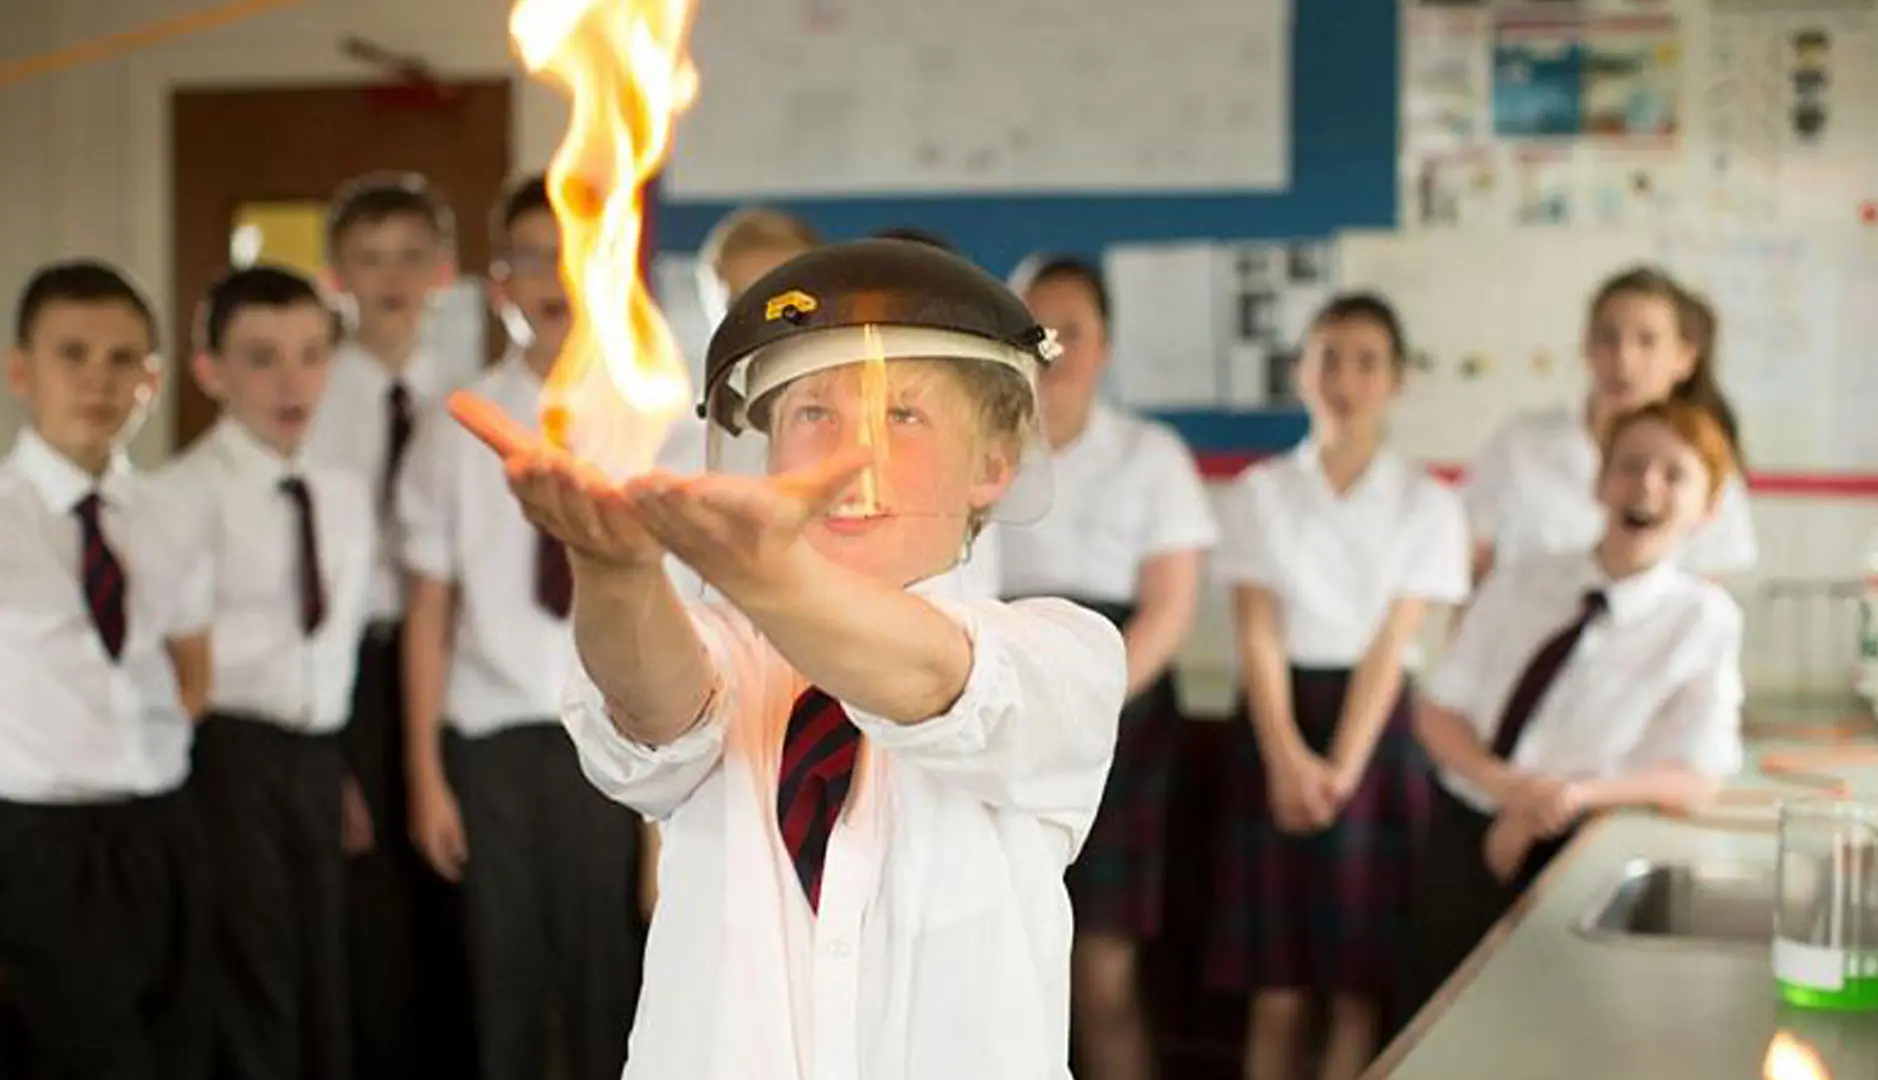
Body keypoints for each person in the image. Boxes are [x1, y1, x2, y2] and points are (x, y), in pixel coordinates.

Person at [452, 237, 1125, 1078]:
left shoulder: (1064, 653)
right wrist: (616, 570)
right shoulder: (724, 644)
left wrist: (763, 572)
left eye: (903, 414)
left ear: (993, 464)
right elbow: (655, 708)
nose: (856, 454)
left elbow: (930, 678)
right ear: (766, 451)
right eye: (813, 413)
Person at [397, 173, 643, 1080]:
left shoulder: (647, 416)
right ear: (497, 282)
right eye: (533, 257)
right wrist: (425, 777)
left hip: (618, 746)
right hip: (492, 743)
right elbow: (431, 609)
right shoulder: (456, 424)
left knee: (606, 983)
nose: (556, 276)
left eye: (577, 252)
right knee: (502, 980)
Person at [1206, 295, 1469, 1080]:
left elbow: (1394, 644)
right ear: (1301, 373)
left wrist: (1344, 772)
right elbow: (1257, 631)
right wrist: (1287, 760)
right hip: (1274, 722)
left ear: (1398, 379)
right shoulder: (1258, 491)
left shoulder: (1429, 501)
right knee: (1278, 986)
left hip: (1376, 734)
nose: (1345, 378)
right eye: (1328, 358)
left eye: (1366, 361)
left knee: (1357, 986)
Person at [1412, 398, 1746, 1000]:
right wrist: (1504, 786)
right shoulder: (1521, 580)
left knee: (1547, 1019)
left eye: (1675, 474)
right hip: (1464, 829)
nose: (1647, 484)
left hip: (1577, 850)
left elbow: (1699, 774)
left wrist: (1565, 798)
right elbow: (1439, 711)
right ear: (1599, 480)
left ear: (1710, 507)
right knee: (1435, 1008)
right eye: (1631, 464)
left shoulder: (1704, 620)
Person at [998, 253, 1217, 1080]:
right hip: (1002, 717)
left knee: (1100, 975)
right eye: (1034, 331)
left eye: (1072, 332)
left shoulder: (1151, 455)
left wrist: (1084, 706)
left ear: (1107, 347)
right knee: (1013, 966)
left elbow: (1169, 610)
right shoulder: (981, 450)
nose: (1051, 349)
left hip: (1116, 721)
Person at [152, 265, 373, 1080]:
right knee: (252, 981)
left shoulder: (343, 490)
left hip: (314, 758)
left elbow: (330, 649)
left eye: (312, 354)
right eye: (262, 357)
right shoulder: (179, 497)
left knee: (325, 974)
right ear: (210, 369)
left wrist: (336, 765)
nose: (293, 381)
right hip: (226, 756)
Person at [0, 260, 215, 1080]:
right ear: (22, 370)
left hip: (162, 829)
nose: (99, 378)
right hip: (38, 842)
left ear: (152, 381)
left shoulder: (169, 515)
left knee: (177, 1045)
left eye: (123, 359)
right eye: (73, 353)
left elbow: (194, 673)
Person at [305, 169, 476, 1080]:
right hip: (357, 666)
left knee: (455, 892)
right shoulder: (313, 398)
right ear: (338, 274)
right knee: (373, 909)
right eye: (369, 259)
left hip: (456, 663)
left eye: (411, 255)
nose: (392, 276)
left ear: (443, 271)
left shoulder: (465, 397)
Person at [1461, 266, 1756, 583]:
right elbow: (1476, 571)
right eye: (1608, 338)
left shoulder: (1704, 461)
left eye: (1647, 341)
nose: (1624, 359)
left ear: (1683, 358)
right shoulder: (1521, 444)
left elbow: (1706, 595)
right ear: (1586, 347)